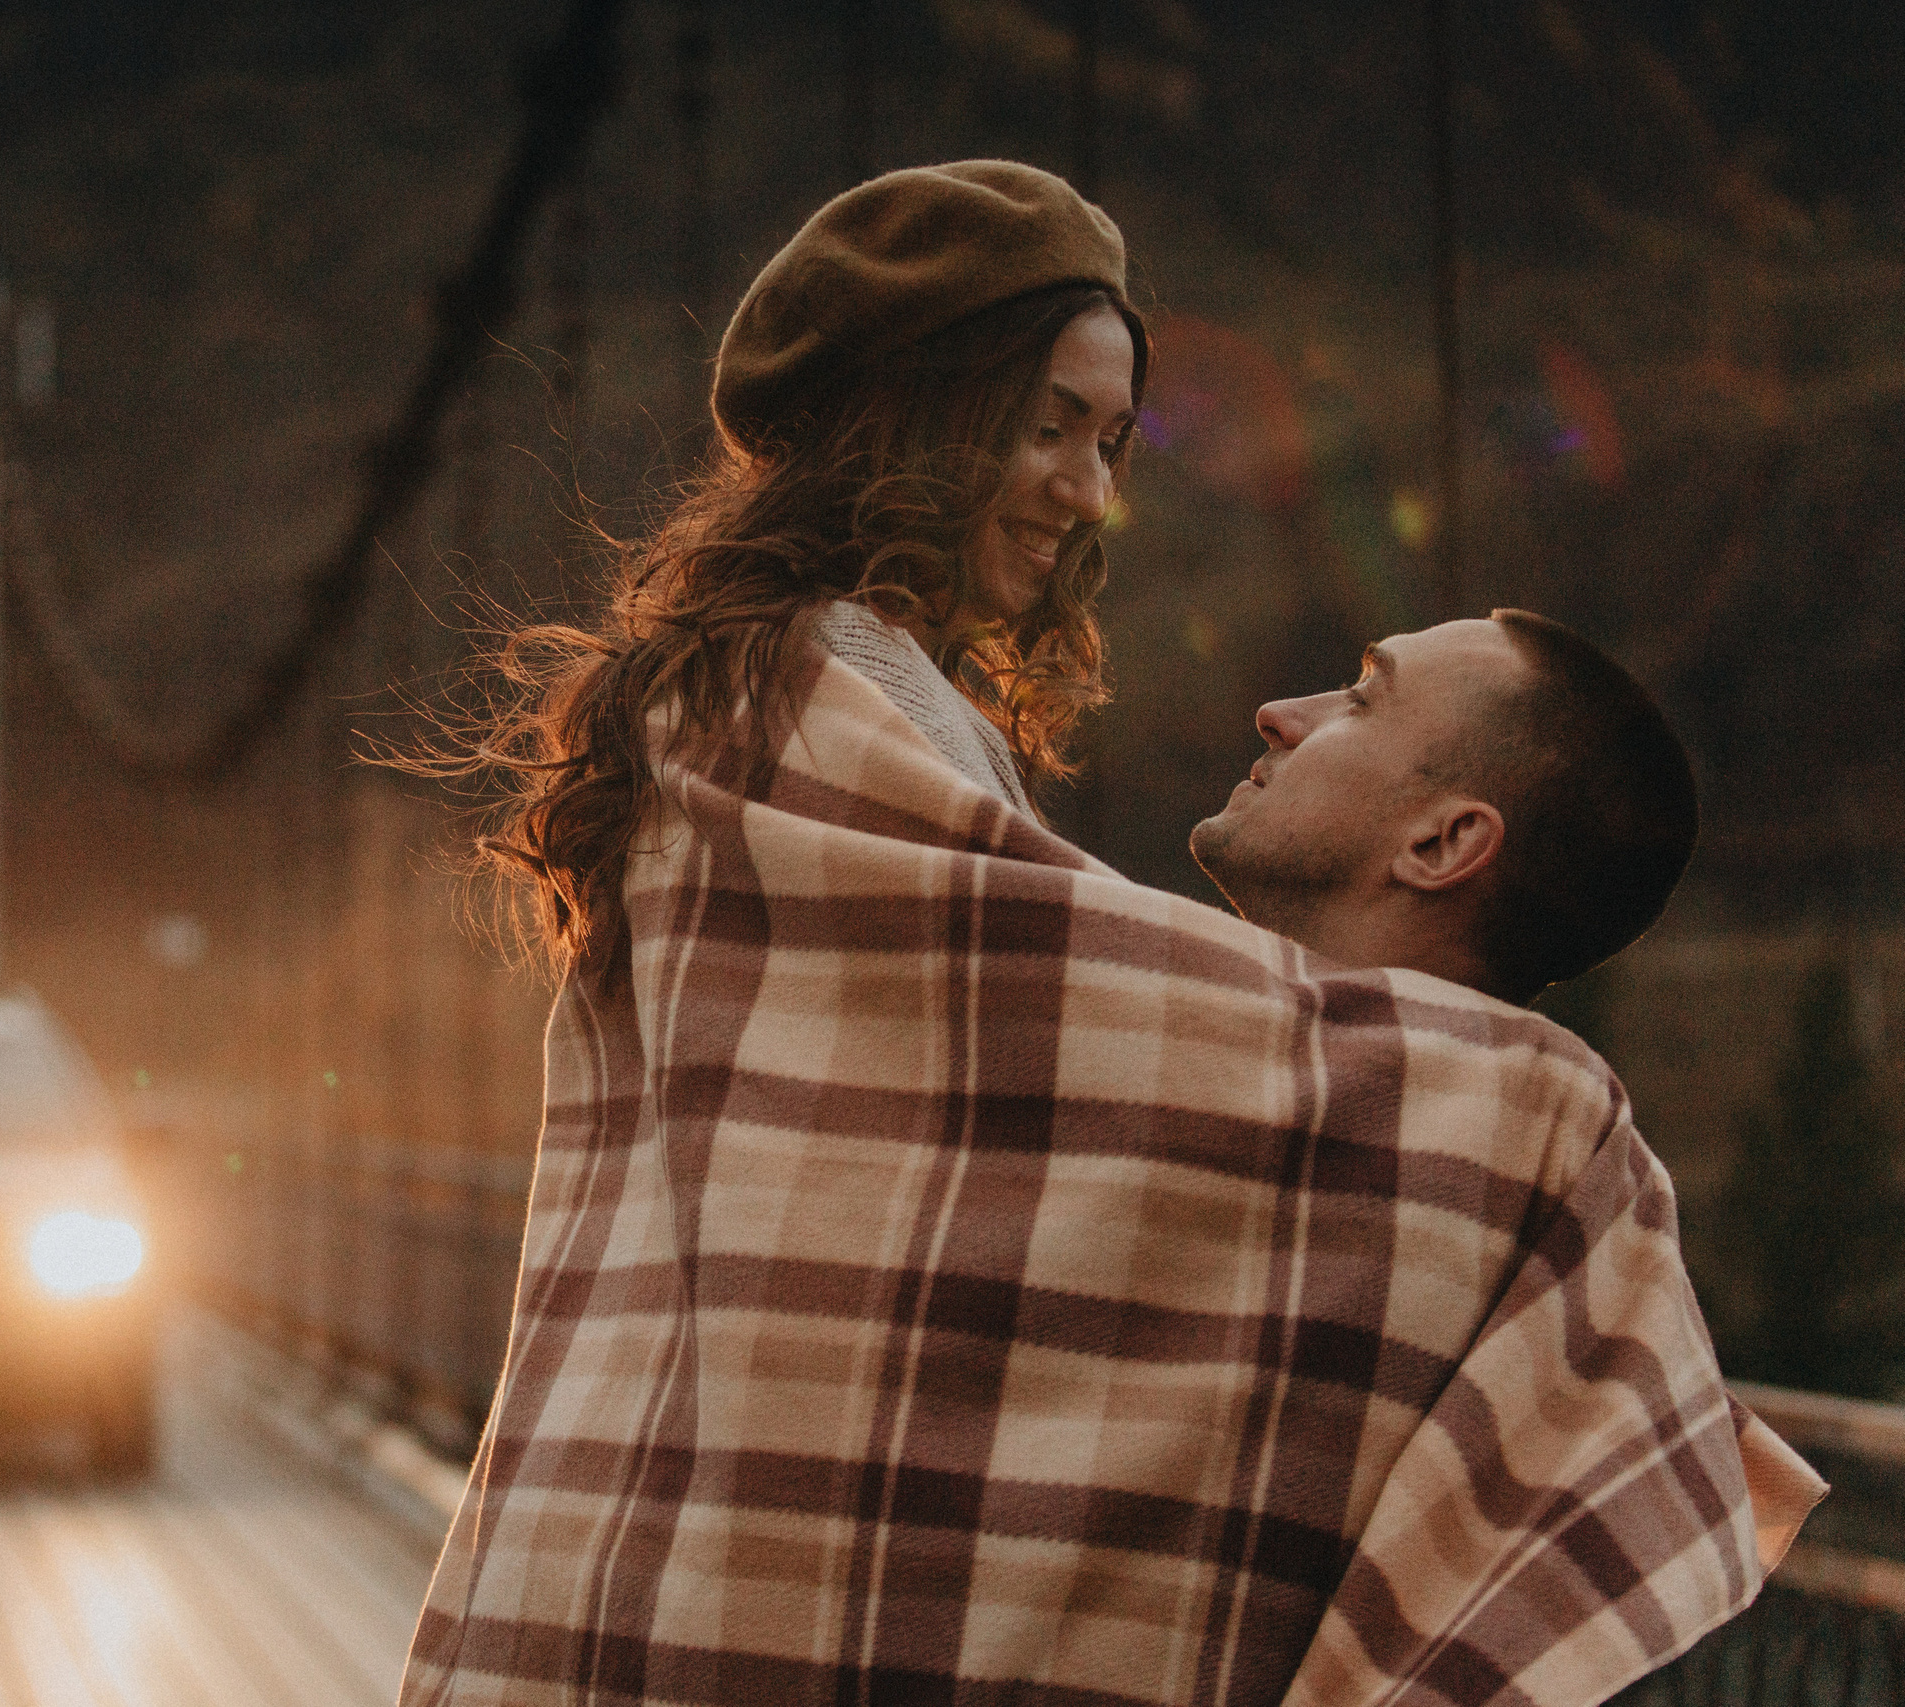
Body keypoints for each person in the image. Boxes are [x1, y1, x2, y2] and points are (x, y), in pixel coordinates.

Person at [401, 164, 1817, 1707]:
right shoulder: (808, 705)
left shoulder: (862, 706)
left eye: (1111, 441)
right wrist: (1544, 1130)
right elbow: (1039, 1021)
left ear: (1444, 841)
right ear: (922, 417)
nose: (1089, 491)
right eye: (1049, 425)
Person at [1190, 609, 1699, 1007]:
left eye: (1361, 701)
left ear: (1442, 843)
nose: (1275, 715)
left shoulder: (1151, 1010)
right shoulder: (1557, 1110)